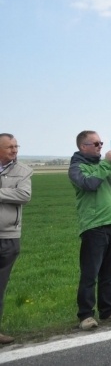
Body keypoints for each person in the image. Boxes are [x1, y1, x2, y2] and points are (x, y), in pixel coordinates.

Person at [68, 131, 111, 330]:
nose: (99, 146)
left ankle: (108, 310)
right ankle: (86, 315)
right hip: (94, 227)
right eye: (95, 143)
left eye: (101, 143)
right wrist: (106, 163)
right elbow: (90, 184)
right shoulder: (77, 168)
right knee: (90, 274)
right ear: (83, 146)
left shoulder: (103, 165)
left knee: (109, 273)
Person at [0, 133, 32, 345]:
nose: (14, 150)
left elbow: (24, 195)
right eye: (9, 147)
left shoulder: (23, 170)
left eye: (16, 146)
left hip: (8, 236)